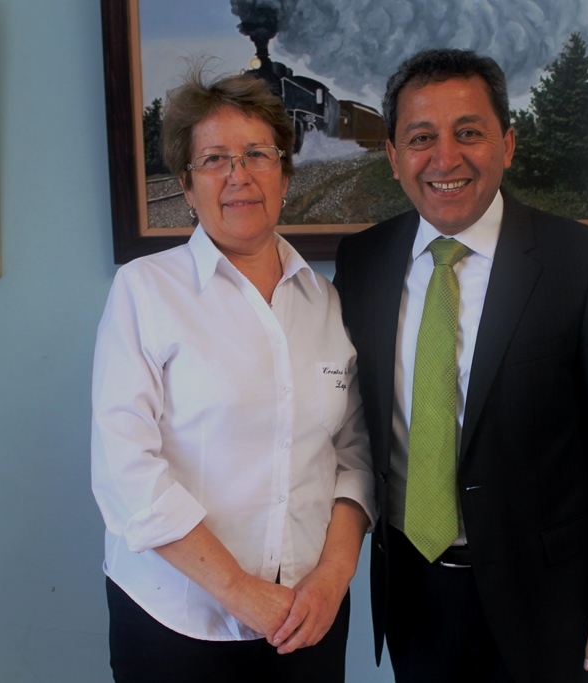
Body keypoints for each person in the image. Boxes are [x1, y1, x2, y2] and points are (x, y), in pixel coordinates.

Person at [333, 48, 588, 682]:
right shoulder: (363, 262)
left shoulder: (582, 262)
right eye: (421, 138)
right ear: (394, 157)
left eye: (469, 133)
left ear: (507, 144)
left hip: (549, 601)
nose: (445, 158)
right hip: (414, 592)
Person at [91, 67, 374, 682]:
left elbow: (354, 455)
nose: (238, 174)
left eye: (257, 155)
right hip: (176, 624)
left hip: (309, 618)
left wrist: (333, 578)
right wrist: (241, 592)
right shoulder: (144, 291)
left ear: (285, 175)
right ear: (187, 187)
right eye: (214, 159)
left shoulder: (325, 301)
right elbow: (124, 470)